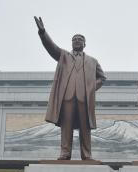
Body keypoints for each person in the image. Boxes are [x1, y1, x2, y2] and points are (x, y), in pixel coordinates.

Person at [34, 16, 106, 160]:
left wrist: (91, 88)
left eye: (80, 39)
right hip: (67, 98)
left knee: (85, 128)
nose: (77, 41)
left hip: (84, 99)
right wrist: (43, 33)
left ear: (84, 44)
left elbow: (102, 78)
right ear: (71, 43)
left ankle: (86, 155)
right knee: (66, 126)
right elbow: (51, 47)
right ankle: (65, 153)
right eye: (74, 39)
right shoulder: (64, 56)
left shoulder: (92, 61)